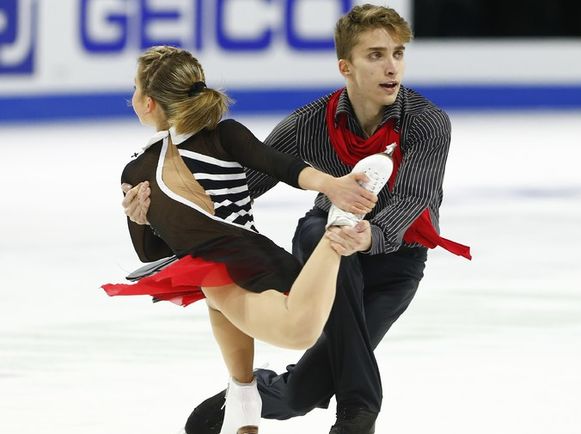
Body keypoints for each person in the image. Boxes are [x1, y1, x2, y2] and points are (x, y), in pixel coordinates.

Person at [124, 5, 471, 434]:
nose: (391, 66)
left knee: (300, 395)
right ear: (345, 65)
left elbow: (414, 199)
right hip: (328, 248)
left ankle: (251, 395)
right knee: (320, 233)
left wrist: (369, 236)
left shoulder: (427, 122)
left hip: (395, 258)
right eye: (376, 55)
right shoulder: (310, 123)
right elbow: (243, 182)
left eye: (398, 54)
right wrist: (162, 204)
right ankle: (357, 418)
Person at [103, 45, 382, 434]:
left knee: (300, 331)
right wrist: (139, 218)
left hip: (244, 257)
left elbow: (280, 165)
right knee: (250, 366)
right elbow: (156, 251)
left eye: (134, 87)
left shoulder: (221, 136)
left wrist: (333, 187)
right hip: (216, 265)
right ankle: (243, 409)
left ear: (148, 102)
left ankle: (337, 229)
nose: (131, 96)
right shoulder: (137, 169)